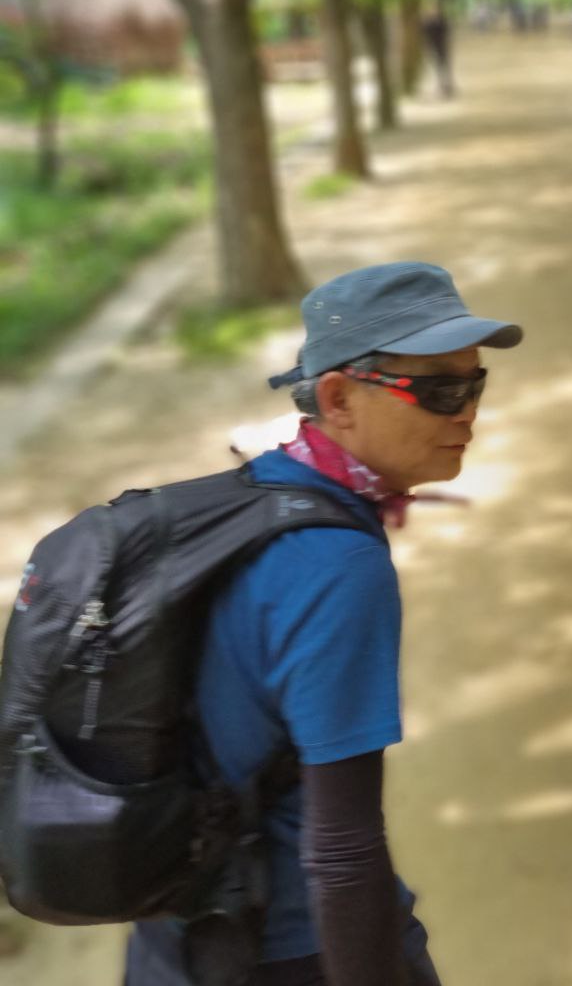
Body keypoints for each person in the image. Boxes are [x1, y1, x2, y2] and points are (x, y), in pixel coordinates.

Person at [124, 261, 523, 986]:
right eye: (439, 390)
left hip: (173, 946)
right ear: (338, 398)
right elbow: (343, 850)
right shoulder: (339, 565)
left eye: (475, 384)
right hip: (287, 952)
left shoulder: (259, 494)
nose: (467, 412)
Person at [421, 4, 455, 99]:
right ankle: (441, 86)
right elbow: (425, 36)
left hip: (442, 47)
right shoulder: (428, 23)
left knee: (444, 67)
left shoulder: (441, 21)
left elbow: (447, 33)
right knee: (437, 68)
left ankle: (447, 86)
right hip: (434, 48)